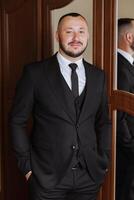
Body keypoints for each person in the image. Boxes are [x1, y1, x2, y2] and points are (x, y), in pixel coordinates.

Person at [10, 13, 111, 200]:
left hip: (88, 177)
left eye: (81, 31)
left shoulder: (99, 76)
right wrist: (27, 167)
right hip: (46, 177)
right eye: (69, 31)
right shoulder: (35, 73)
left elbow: (104, 121)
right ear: (57, 35)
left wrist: (104, 159)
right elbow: (17, 121)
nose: (76, 38)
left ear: (88, 36)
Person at [116, 18, 134, 200]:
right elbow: (119, 116)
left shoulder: (128, 65)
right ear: (129, 37)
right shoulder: (120, 68)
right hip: (126, 153)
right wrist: (131, 147)